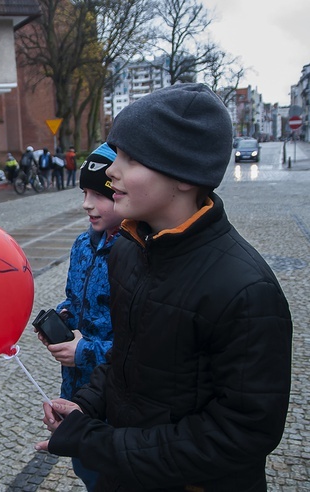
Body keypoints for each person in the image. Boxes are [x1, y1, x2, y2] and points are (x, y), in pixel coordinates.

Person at [35, 83, 293, 491]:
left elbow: (240, 434)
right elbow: (126, 360)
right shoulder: (125, 253)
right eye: (115, 153)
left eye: (131, 158)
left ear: (184, 175)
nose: (110, 170)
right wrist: (87, 404)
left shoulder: (246, 290)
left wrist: (100, 442)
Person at [36, 142, 122, 491]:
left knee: (109, 472)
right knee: (85, 467)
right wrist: (62, 317)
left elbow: (140, 343)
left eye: (99, 194)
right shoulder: (82, 245)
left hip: (114, 395)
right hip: (76, 387)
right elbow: (77, 299)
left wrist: (84, 351)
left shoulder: (135, 252)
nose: (87, 203)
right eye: (84, 192)